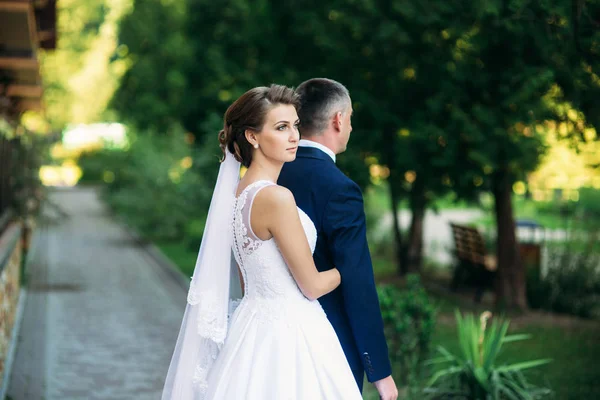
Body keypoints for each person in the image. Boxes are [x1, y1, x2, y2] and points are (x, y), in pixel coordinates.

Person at [161, 84, 363, 400]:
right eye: (281, 127)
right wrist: (349, 267)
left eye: (295, 125)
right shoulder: (276, 198)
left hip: (250, 327)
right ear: (253, 137)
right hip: (291, 334)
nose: (294, 136)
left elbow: (247, 280)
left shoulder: (238, 193)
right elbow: (311, 286)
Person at [278, 78, 398, 400]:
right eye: (351, 119)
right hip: (328, 344)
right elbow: (356, 281)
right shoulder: (340, 189)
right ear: (338, 119)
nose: (351, 128)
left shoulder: (269, 175)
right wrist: (380, 371)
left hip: (269, 340)